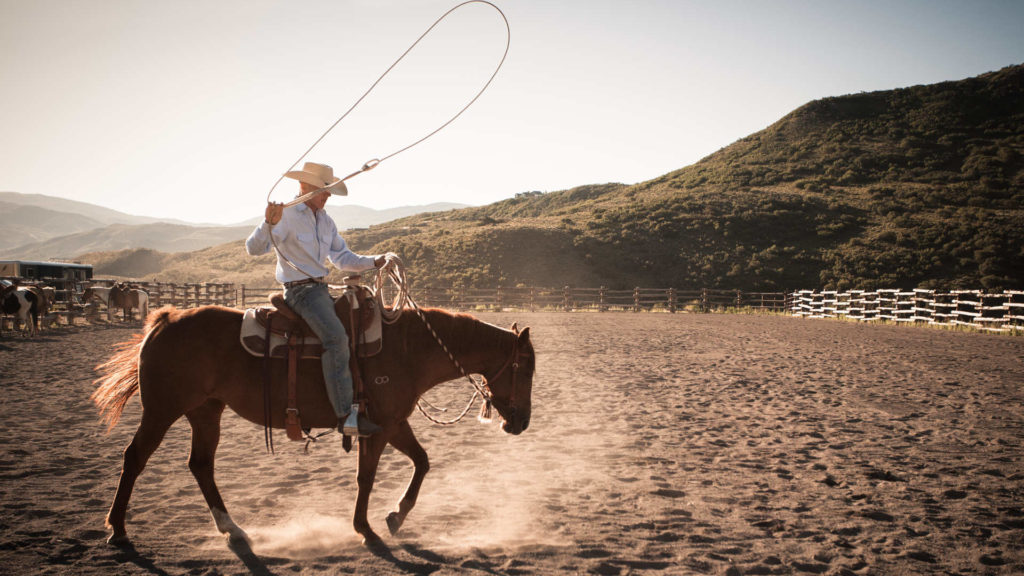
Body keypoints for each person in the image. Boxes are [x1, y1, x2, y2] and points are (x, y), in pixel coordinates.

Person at [246, 161, 386, 437]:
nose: (328, 196)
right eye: (324, 190)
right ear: (306, 188)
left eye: (329, 191)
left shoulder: (326, 221)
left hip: (321, 289)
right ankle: (346, 416)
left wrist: (375, 261)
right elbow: (254, 249)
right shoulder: (284, 216)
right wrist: (267, 224)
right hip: (300, 291)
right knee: (335, 338)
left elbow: (342, 258)